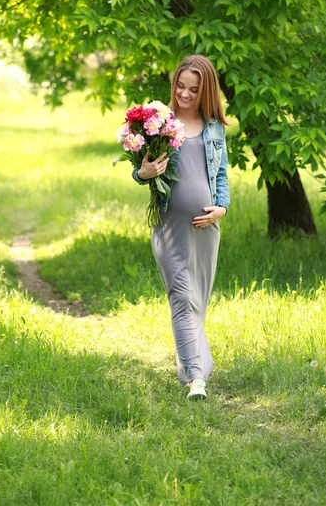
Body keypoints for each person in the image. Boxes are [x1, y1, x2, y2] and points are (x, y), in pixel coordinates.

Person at [132, 55, 230, 400]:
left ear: (206, 91)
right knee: (181, 297)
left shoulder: (214, 128)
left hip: (206, 228)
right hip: (168, 225)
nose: (185, 94)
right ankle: (195, 379)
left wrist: (222, 209)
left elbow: (220, 177)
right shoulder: (159, 124)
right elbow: (139, 168)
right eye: (180, 86)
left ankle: (196, 364)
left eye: (194, 89)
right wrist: (143, 174)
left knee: (198, 302)